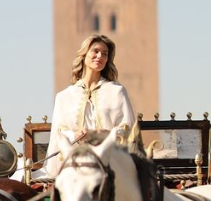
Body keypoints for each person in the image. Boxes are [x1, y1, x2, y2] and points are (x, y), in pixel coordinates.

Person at [38, 33, 137, 182]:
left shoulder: (117, 91)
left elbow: (128, 128)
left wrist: (103, 134)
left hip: (109, 162)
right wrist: (76, 135)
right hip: (73, 162)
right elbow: (60, 133)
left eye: (105, 54)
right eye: (95, 51)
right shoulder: (64, 97)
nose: (100, 56)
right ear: (84, 55)